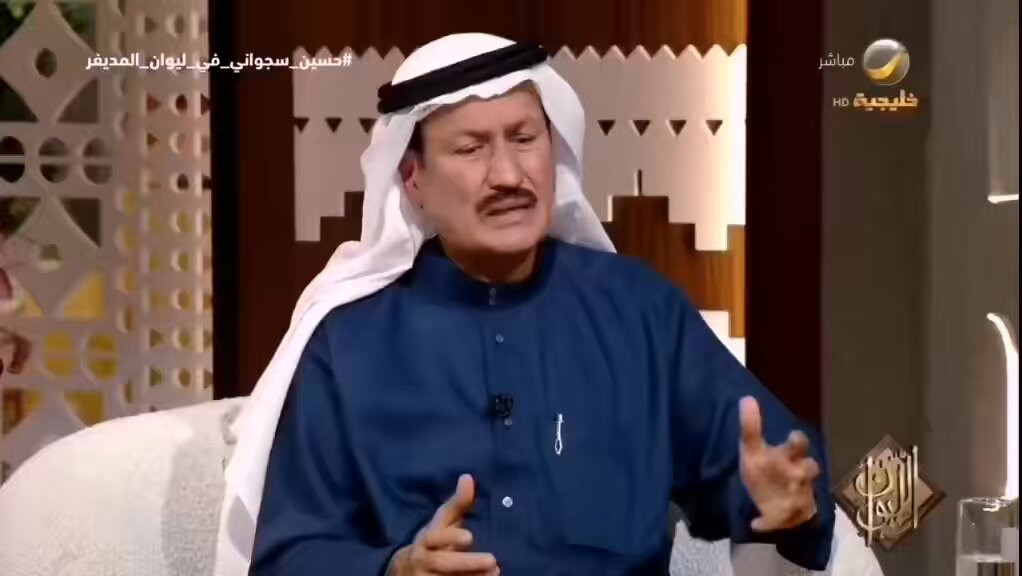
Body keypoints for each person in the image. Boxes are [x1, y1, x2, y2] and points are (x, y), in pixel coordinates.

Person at [214, 33, 835, 576]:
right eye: (471, 149)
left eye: (524, 139)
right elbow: (290, 556)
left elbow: (764, 466)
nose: (509, 175)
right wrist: (396, 569)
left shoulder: (638, 311)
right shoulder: (348, 344)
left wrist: (793, 503)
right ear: (413, 178)